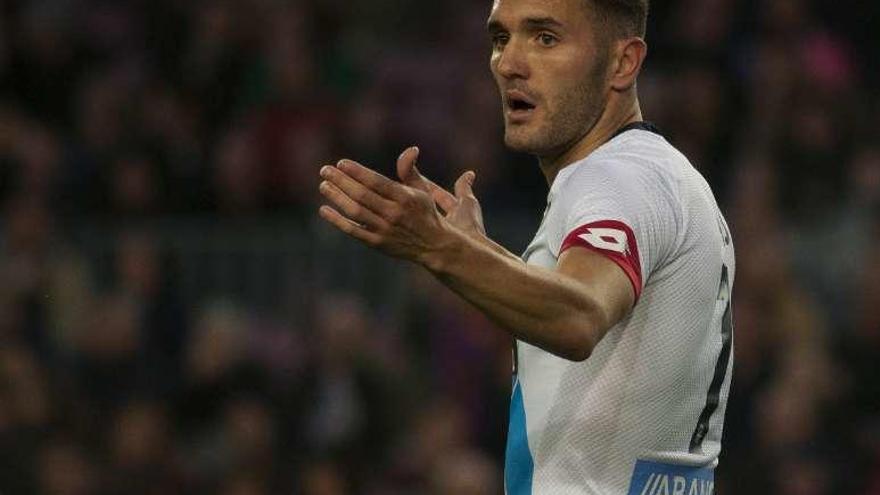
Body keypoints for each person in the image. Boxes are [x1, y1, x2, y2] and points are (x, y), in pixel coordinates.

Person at [317, 0, 734, 493]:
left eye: (545, 38)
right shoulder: (658, 176)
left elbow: (579, 316)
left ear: (623, 63)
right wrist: (477, 251)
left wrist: (438, 248)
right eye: (500, 39)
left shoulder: (617, 179)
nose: (509, 63)